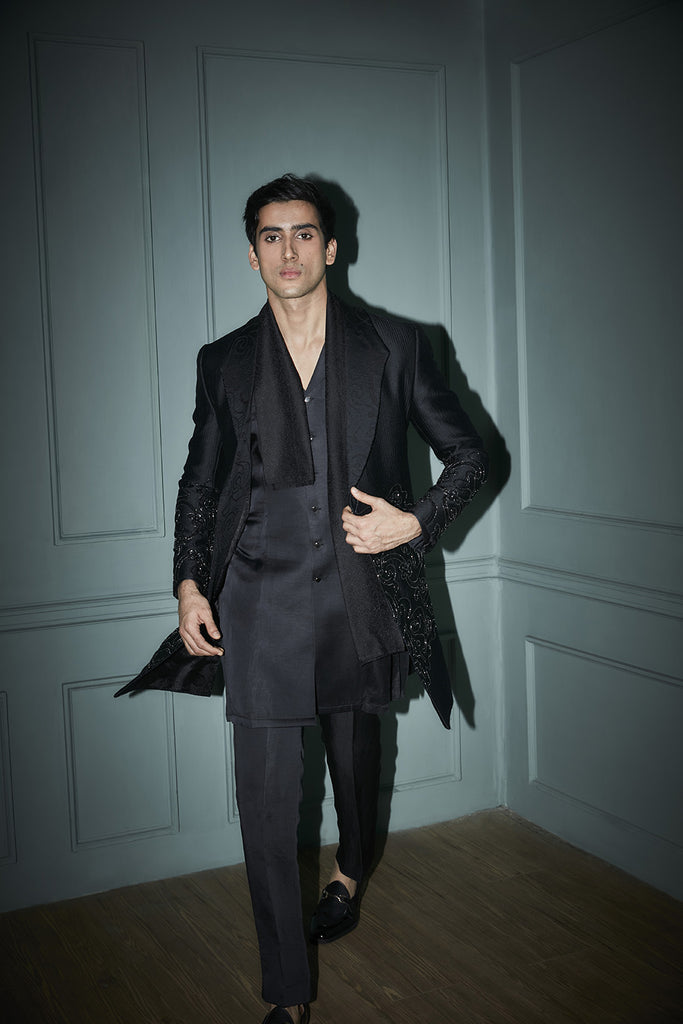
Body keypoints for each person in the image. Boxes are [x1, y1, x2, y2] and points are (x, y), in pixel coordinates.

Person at [119, 173, 487, 1024]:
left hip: (360, 598)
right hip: (258, 602)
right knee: (264, 808)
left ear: (331, 246)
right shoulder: (221, 361)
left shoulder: (396, 345)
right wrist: (187, 583)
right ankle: (287, 996)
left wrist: (414, 522)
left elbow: (469, 456)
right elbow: (199, 483)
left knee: (355, 767)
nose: (289, 249)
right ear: (252, 256)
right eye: (271, 236)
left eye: (304, 233)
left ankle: (350, 871)